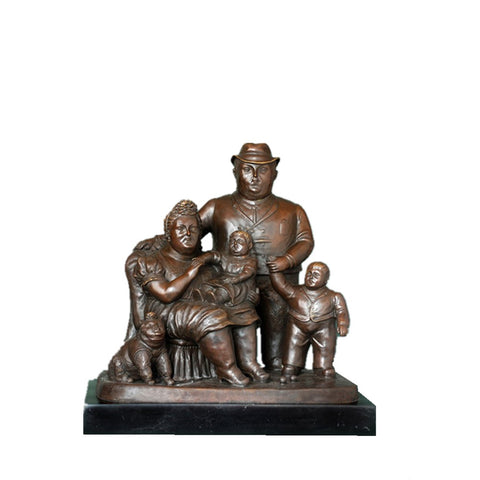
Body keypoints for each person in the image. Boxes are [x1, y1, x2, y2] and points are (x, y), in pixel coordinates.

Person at [199, 143, 314, 371]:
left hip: (279, 283)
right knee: (232, 332)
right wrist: (158, 243)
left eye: (262, 170)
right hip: (232, 286)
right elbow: (187, 232)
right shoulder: (217, 207)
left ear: (274, 174)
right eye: (247, 169)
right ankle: (232, 368)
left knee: (277, 330)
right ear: (235, 171)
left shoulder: (292, 210)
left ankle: (276, 366)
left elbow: (305, 241)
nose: (254, 177)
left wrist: (287, 260)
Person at [127, 199, 250, 387]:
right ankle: (228, 369)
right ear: (169, 233)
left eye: (193, 229)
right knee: (210, 316)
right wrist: (190, 272)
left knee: (243, 308)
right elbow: (166, 294)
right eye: (180, 229)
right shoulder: (152, 261)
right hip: (164, 311)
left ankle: (250, 364)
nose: (187, 233)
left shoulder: (205, 261)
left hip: (195, 307)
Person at [195, 229, 269, 382]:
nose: (235, 244)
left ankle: (250, 364)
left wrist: (235, 279)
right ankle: (208, 296)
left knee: (246, 329)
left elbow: (248, 273)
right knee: (214, 291)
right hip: (224, 303)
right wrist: (203, 258)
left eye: (240, 242)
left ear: (249, 246)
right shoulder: (225, 257)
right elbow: (214, 255)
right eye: (232, 241)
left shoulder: (250, 261)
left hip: (242, 300)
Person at [267, 261, 350, 383]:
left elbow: (342, 312)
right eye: (309, 274)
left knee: (325, 349)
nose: (311, 277)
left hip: (324, 328)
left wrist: (342, 324)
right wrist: (275, 271)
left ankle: (323, 367)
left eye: (316, 275)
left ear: (325, 279)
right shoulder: (295, 291)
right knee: (293, 347)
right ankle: (291, 367)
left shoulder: (334, 296)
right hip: (297, 326)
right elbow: (281, 286)